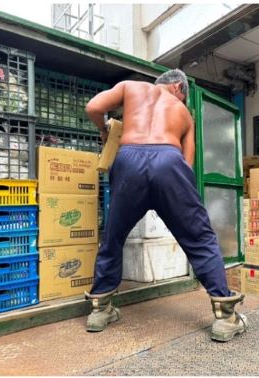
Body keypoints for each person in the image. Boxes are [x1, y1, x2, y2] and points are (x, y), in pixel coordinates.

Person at [81, 69, 246, 342]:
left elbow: (93, 107)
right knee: (200, 237)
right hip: (170, 162)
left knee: (113, 236)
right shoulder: (184, 114)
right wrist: (176, 198)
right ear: (179, 87)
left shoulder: (129, 87)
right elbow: (188, 164)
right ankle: (225, 317)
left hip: (128, 159)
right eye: (185, 95)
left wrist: (104, 129)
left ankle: (100, 310)